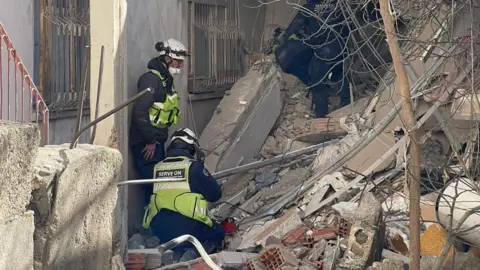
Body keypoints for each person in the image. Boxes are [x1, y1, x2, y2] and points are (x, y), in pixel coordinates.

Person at [142, 128, 225, 262]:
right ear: (192, 148)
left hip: (159, 229)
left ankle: (172, 255)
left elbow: (148, 197)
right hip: (189, 228)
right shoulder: (194, 168)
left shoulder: (156, 168)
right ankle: (195, 255)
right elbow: (215, 195)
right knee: (218, 233)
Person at [276, 0, 351, 118]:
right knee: (338, 72)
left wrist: (283, 38)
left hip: (324, 50)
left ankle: (320, 115)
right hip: (341, 47)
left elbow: (292, 28)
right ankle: (347, 103)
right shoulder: (337, 5)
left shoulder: (308, 8)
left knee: (317, 80)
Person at [130, 38, 189, 182]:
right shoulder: (151, 80)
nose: (181, 65)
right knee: (153, 185)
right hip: (147, 144)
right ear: (167, 58)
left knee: (160, 185)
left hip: (156, 141)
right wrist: (150, 141)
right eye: (178, 61)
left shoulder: (165, 80)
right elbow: (139, 112)